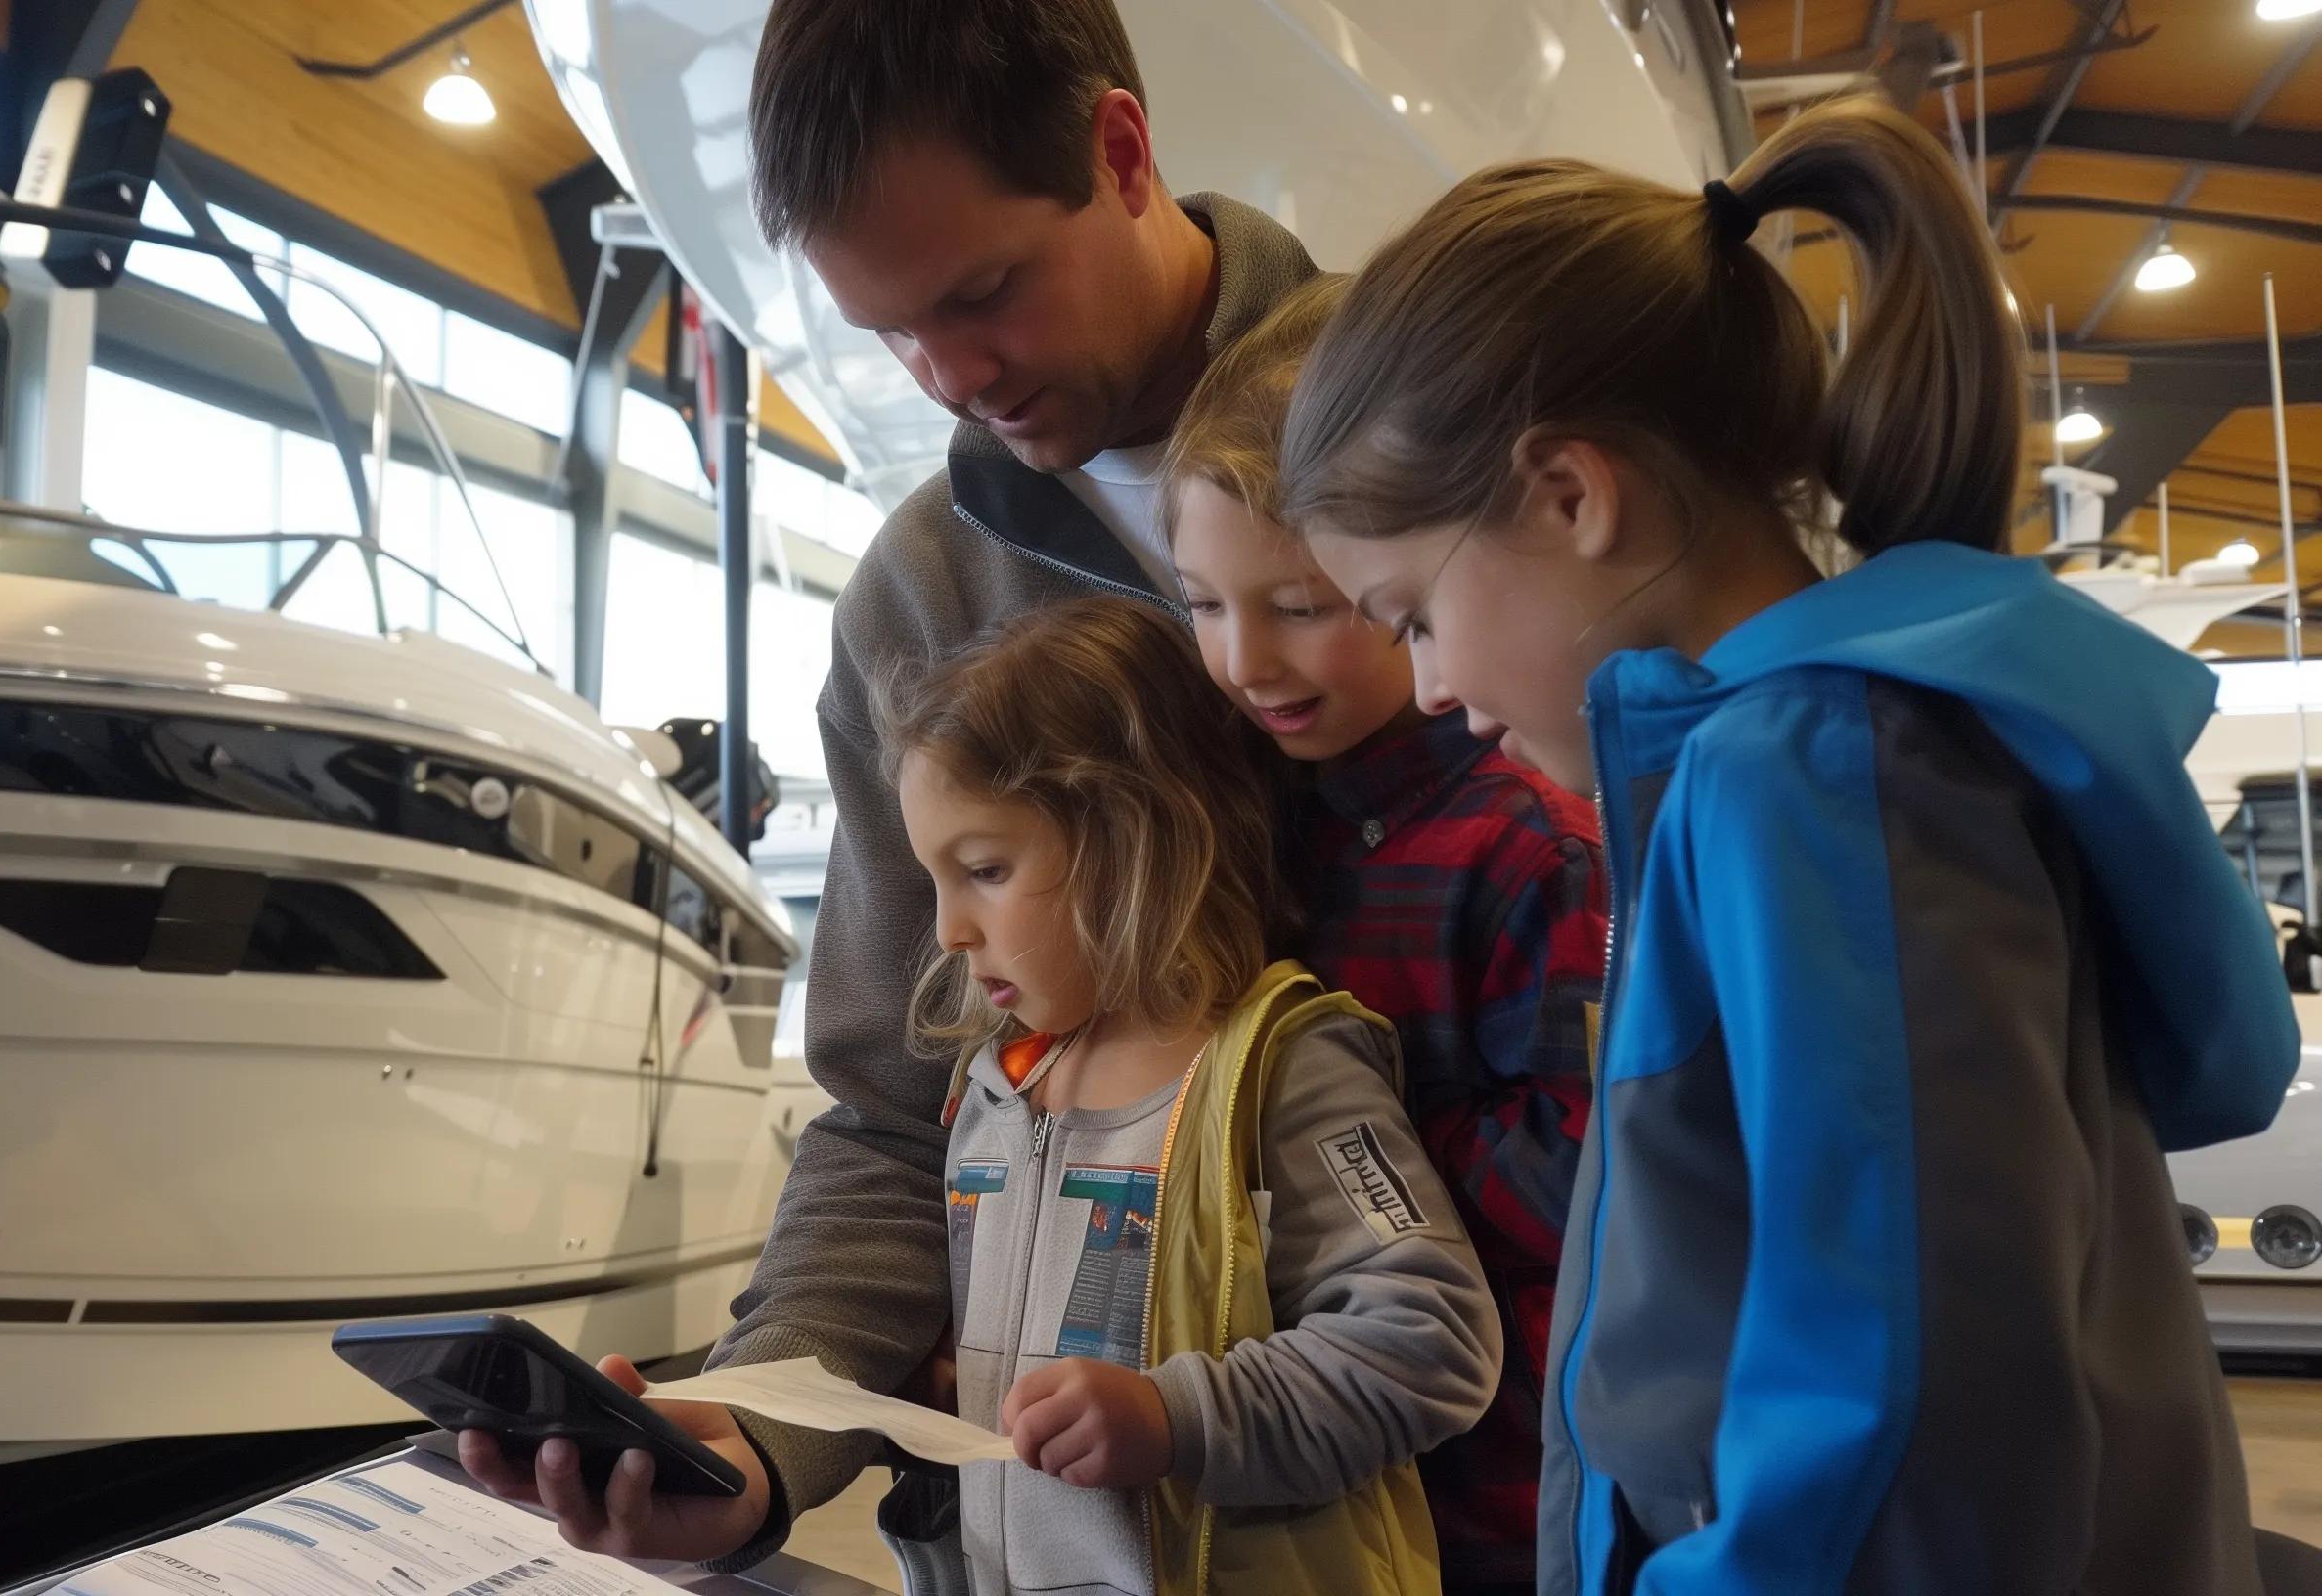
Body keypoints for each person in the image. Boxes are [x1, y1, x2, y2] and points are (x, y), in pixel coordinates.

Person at [1274, 94, 2299, 1593]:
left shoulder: (1811, 770)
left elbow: (1914, 1380)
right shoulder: (1825, 753)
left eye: (1415, 613)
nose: (1430, 687)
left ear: (1568, 495)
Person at [458, 0, 1338, 1572]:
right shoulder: (917, 601)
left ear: (1119, 151)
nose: (949, 378)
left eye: (982, 294)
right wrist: (762, 1427)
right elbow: (889, 1110)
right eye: (890, 333)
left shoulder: (1431, 421)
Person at [887, 594, 1496, 1596]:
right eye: (935, 880)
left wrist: (1175, 1419)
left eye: (986, 869)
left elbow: (1428, 1341)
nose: (951, 928)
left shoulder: (1279, 1070)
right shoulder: (995, 1091)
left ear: (1134, 839)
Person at [1160, 276, 1604, 1596]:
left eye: (1301, 605)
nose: (1246, 658)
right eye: (1201, 603)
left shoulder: (1530, 842)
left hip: (1498, 1486)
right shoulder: (1234, 820)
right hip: (1295, 1464)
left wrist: (1343, 1145)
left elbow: (1591, 1169)